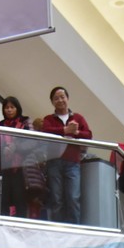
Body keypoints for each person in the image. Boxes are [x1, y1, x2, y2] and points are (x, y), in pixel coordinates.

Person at [37, 85, 91, 224]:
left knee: (73, 197)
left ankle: (74, 228)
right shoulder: (48, 118)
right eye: (56, 98)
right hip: (54, 161)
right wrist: (65, 130)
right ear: (52, 102)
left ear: (68, 98)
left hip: (73, 162)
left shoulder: (78, 117)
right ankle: (58, 229)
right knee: (56, 198)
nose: (60, 100)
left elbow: (88, 135)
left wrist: (76, 132)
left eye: (62, 97)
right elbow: (46, 132)